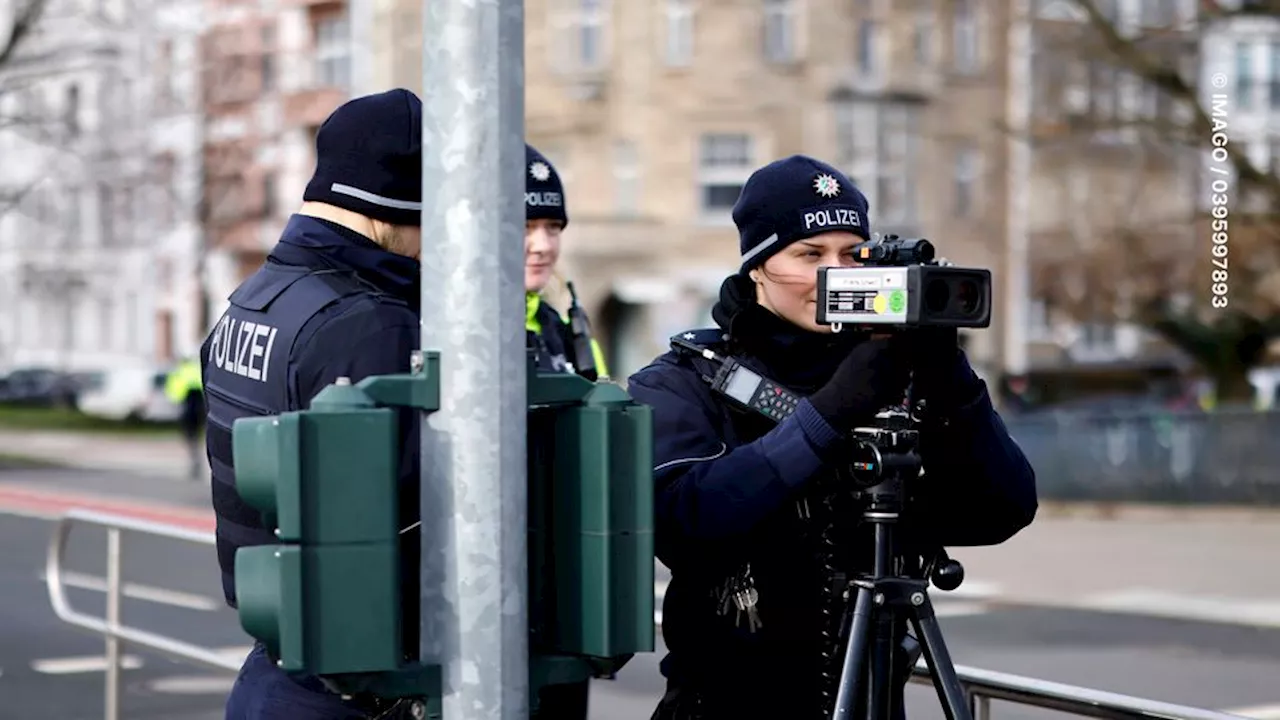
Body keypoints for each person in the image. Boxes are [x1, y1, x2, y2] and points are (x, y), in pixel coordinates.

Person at [625, 155, 1038, 720]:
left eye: (852, 255)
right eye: (810, 254)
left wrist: (949, 380)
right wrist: (830, 413)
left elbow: (1001, 510)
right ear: (757, 268)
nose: (835, 274)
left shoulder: (902, 375)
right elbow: (683, 519)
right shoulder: (682, 380)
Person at [206, 89, 424, 720]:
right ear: (399, 204)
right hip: (364, 683)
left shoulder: (257, 296)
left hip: (276, 666)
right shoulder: (372, 326)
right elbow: (418, 513)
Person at [523, 144, 609, 381]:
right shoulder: (443, 330)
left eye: (553, 227)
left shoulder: (572, 338)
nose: (543, 246)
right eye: (524, 227)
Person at [164, 356, 204, 479]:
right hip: (201, 406)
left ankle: (194, 458)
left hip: (186, 407)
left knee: (190, 436)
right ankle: (199, 458)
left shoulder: (179, 372)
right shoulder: (197, 369)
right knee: (202, 435)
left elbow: (172, 392)